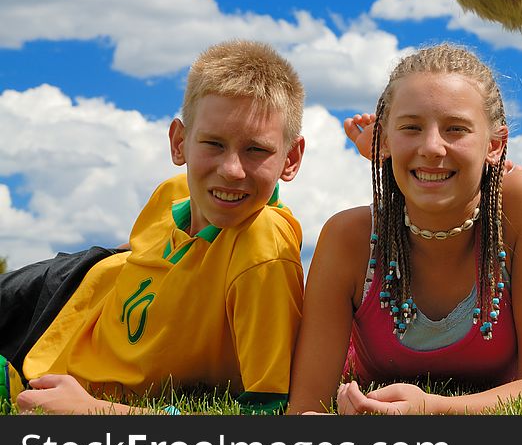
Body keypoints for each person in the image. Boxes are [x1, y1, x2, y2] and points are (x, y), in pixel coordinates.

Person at [0, 39, 306, 415]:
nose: (231, 169)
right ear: (180, 143)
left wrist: (96, 410)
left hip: (45, 345)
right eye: (213, 144)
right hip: (69, 289)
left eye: (256, 150)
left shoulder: (265, 246)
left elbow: (264, 421)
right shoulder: (173, 194)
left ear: (290, 159)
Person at [288, 43, 522, 415]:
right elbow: (307, 408)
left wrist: (432, 408)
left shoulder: (519, 207)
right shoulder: (348, 239)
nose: (433, 147)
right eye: (411, 128)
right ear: (384, 140)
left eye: (456, 129)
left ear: (496, 144)